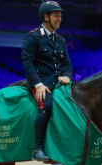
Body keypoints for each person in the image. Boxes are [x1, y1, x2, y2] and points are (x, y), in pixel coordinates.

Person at [21, 1, 72, 161]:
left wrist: (67, 75)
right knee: (46, 106)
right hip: (41, 83)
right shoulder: (33, 36)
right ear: (46, 17)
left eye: (60, 15)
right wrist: (38, 84)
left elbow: (67, 64)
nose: (60, 19)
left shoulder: (61, 40)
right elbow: (27, 62)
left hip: (58, 83)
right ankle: (37, 149)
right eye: (56, 15)